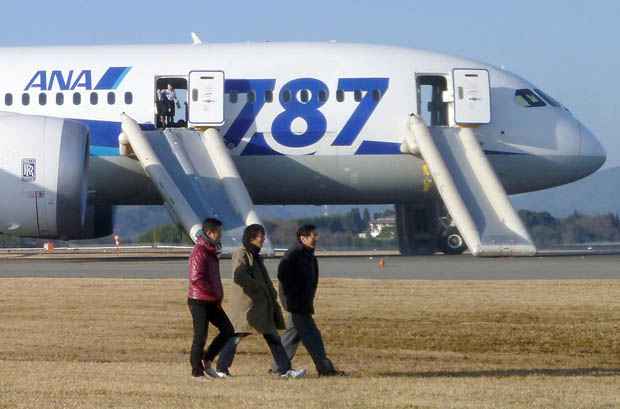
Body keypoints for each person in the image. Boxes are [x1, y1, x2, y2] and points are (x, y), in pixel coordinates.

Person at [217, 224, 306, 379]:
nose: (263, 238)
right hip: (247, 307)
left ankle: (285, 370)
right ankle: (221, 369)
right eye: (261, 235)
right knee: (235, 337)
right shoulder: (241, 254)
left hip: (260, 306)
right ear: (252, 237)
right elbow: (239, 276)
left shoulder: (256, 255)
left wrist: (270, 294)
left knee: (272, 337)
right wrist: (259, 287)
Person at [275, 224, 345, 377]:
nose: (316, 238)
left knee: (291, 337)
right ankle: (325, 369)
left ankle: (277, 367)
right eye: (313, 235)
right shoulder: (294, 254)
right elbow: (283, 276)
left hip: (303, 303)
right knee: (313, 337)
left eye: (316, 234)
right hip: (297, 304)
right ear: (303, 238)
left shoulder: (308, 255)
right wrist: (291, 298)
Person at [187, 218, 234, 380]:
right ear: (209, 232)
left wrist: (216, 297)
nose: (221, 235)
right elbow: (196, 278)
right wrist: (213, 295)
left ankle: (207, 361)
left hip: (212, 300)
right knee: (200, 336)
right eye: (219, 232)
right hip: (199, 300)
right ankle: (196, 371)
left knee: (228, 330)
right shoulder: (200, 251)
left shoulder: (211, 250)